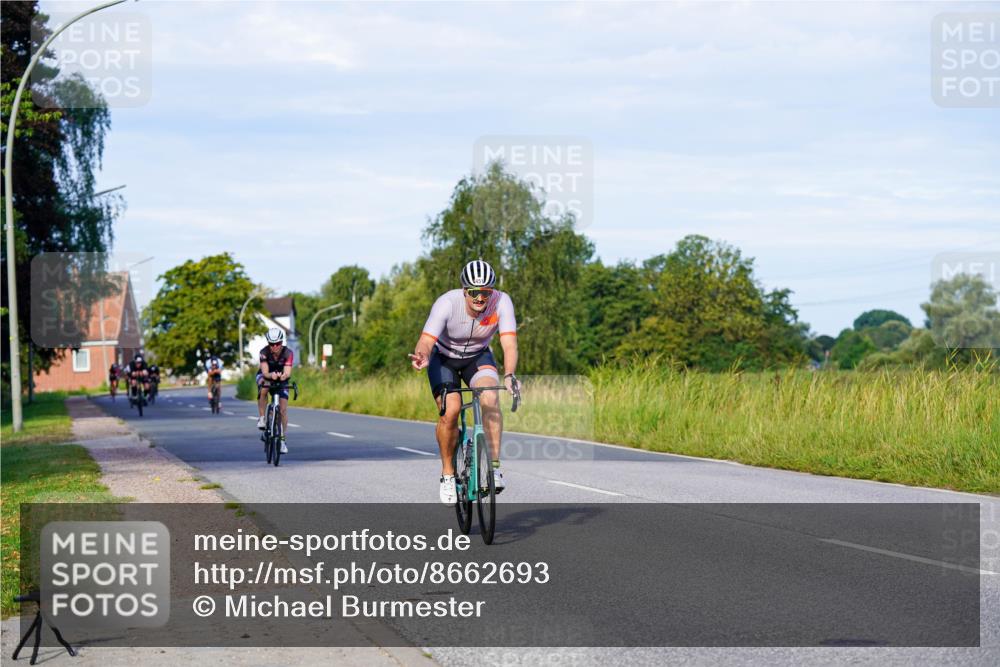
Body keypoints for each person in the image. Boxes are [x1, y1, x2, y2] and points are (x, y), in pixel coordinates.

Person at [409, 259, 520, 505]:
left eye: (485, 292)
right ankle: (448, 474)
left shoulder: (502, 302)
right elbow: (426, 340)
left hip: (477, 356)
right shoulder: (447, 303)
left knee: (490, 397)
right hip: (444, 358)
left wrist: (510, 374)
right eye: (474, 292)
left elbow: (509, 343)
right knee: (451, 410)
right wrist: (422, 356)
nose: (480, 298)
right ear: (464, 290)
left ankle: (493, 467)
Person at [256, 327, 293, 454]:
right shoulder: (264, 352)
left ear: (281, 343)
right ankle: (262, 418)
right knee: (264, 386)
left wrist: (283, 376)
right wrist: (271, 376)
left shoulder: (288, 353)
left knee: (282, 410)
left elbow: (287, 372)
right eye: (271, 344)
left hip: (281, 377)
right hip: (266, 376)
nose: (274, 347)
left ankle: (282, 440)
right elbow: (265, 372)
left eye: (277, 344)